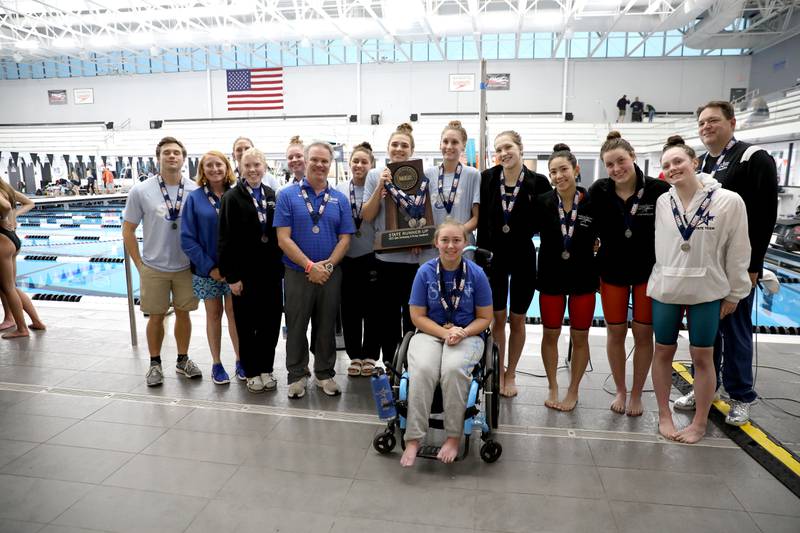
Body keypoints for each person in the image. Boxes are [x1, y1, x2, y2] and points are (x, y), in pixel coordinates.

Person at [673, 101, 778, 426]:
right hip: (705, 265)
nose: (706, 127)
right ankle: (708, 388)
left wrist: (753, 266)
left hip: (735, 264)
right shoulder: (702, 163)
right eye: (702, 122)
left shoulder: (752, 158)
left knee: (736, 331)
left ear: (731, 122)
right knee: (705, 333)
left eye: (713, 121)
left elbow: (764, 215)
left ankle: (741, 395)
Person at [650, 135, 751, 443]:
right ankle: (664, 416)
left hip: (707, 288)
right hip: (667, 285)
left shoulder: (728, 200)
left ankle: (699, 422)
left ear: (694, 162)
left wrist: (735, 292)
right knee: (663, 351)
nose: (672, 168)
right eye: (666, 165)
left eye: (678, 161)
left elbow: (738, 250)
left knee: (703, 356)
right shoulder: (663, 201)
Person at [588, 131, 669, 416]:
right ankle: (621, 389)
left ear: (633, 157)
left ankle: (637, 393)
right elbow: (587, 229)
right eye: (609, 164)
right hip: (611, 270)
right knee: (616, 332)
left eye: (620, 160)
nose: (616, 169)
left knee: (644, 333)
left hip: (649, 272)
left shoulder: (659, 190)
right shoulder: (599, 190)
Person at [400, 218, 493, 467]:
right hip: (431, 332)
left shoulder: (476, 274)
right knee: (422, 370)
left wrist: (462, 333)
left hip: (468, 334)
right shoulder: (425, 272)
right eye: (445, 240)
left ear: (465, 243)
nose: (450, 246)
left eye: (456, 240)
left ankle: (453, 437)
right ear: (436, 243)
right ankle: (414, 439)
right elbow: (417, 316)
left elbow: (485, 317)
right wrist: (443, 334)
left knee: (452, 369)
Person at [274, 141, 354, 398]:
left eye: (325, 161)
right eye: (315, 160)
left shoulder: (339, 199)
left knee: (326, 324)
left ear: (330, 164)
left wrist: (328, 265)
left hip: (330, 272)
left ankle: (324, 373)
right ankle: (297, 375)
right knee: (296, 324)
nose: (320, 165)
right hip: (298, 272)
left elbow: (345, 238)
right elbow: (283, 238)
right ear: (305, 162)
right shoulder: (287, 196)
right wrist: (310, 265)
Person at [476, 130, 551, 397]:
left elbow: (549, 222)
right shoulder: (487, 178)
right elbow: (480, 219)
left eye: (508, 147)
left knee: (517, 319)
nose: (503, 153)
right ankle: (496, 370)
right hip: (494, 257)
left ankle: (511, 373)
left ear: (520, 148)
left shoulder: (538, 182)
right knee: (497, 319)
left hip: (523, 256)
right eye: (498, 149)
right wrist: (479, 259)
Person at [122, 136, 201, 386]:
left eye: (176, 152)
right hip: (154, 266)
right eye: (166, 152)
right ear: (158, 158)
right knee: (155, 316)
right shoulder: (141, 190)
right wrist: (139, 265)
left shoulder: (195, 189)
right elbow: (128, 230)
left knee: (184, 314)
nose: (171, 156)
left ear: (183, 158)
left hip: (186, 266)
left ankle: (182, 360)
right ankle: (155, 364)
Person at [536, 144, 597, 411]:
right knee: (550, 334)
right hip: (551, 275)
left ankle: (573, 390)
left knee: (580, 337)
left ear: (576, 169)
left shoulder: (593, 203)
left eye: (563, 169)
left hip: (583, 276)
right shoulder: (543, 202)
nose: (559, 175)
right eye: (553, 172)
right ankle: (553, 385)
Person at [219, 148, 284, 393]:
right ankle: (252, 370)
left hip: (270, 273)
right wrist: (232, 277)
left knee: (270, 322)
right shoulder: (232, 197)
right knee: (247, 324)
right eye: (248, 165)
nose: (253, 169)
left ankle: (266, 367)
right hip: (244, 275)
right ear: (240, 168)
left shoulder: (271, 195)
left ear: (265, 167)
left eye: (257, 164)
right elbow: (224, 239)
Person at [361, 123, 424, 364]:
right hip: (385, 259)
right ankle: (390, 364)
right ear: (387, 148)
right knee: (386, 317)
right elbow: (367, 216)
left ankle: (411, 366)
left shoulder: (421, 174)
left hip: (412, 260)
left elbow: (424, 215)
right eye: (395, 144)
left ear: (412, 150)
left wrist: (420, 238)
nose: (399, 149)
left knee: (412, 317)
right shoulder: (375, 175)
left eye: (404, 145)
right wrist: (380, 186)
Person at [180, 150, 242, 385]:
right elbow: (187, 238)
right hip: (208, 270)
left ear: (227, 168)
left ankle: (240, 359)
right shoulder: (195, 199)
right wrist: (210, 267)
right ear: (202, 171)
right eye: (209, 166)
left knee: (235, 315)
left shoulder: (237, 194)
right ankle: (216, 363)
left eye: (219, 165)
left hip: (235, 270)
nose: (215, 169)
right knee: (214, 315)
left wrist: (235, 267)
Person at [337, 142, 381, 377]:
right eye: (356, 161)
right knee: (350, 307)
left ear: (371, 165)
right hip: (347, 256)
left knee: (373, 307)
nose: (359, 165)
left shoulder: (377, 188)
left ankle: (371, 356)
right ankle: (355, 355)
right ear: (349, 163)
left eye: (364, 161)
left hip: (372, 255)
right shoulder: (339, 190)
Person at [419, 120, 481, 263]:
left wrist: (453, 236)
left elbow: (476, 218)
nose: (449, 146)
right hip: (433, 246)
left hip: (461, 246)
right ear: (439, 144)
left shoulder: (473, 175)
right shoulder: (427, 174)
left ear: (463, 146)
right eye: (445, 142)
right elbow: (419, 213)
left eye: (454, 142)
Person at [0, 181, 45, 339]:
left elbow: (5, 207)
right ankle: (36, 321)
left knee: (8, 288)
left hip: (3, 240)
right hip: (12, 238)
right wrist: (13, 217)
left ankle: (22, 328)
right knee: (11, 287)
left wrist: (4, 218)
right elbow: (28, 203)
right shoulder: (6, 188)